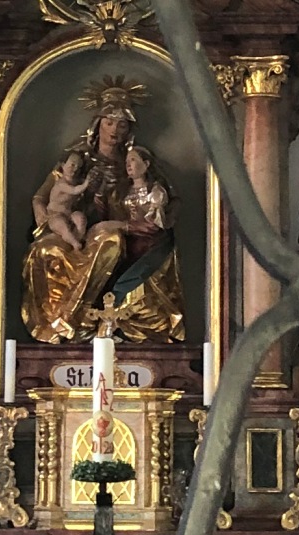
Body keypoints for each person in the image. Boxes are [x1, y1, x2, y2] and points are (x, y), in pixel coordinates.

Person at [19, 75, 186, 344]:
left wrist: (160, 222)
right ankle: (57, 322)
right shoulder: (77, 159)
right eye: (109, 122)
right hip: (76, 227)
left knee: (111, 242)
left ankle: (74, 314)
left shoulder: (137, 161)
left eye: (122, 124)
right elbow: (43, 195)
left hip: (121, 231)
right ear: (98, 124)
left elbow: (171, 198)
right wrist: (45, 218)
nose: (115, 130)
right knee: (44, 250)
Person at [40, 151, 92, 249]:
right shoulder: (61, 184)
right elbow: (74, 190)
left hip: (68, 214)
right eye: (72, 164)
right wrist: (87, 183)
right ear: (63, 165)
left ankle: (79, 238)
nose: (75, 168)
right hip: (55, 215)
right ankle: (74, 243)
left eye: (79, 166)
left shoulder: (76, 182)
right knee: (62, 225)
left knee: (80, 218)